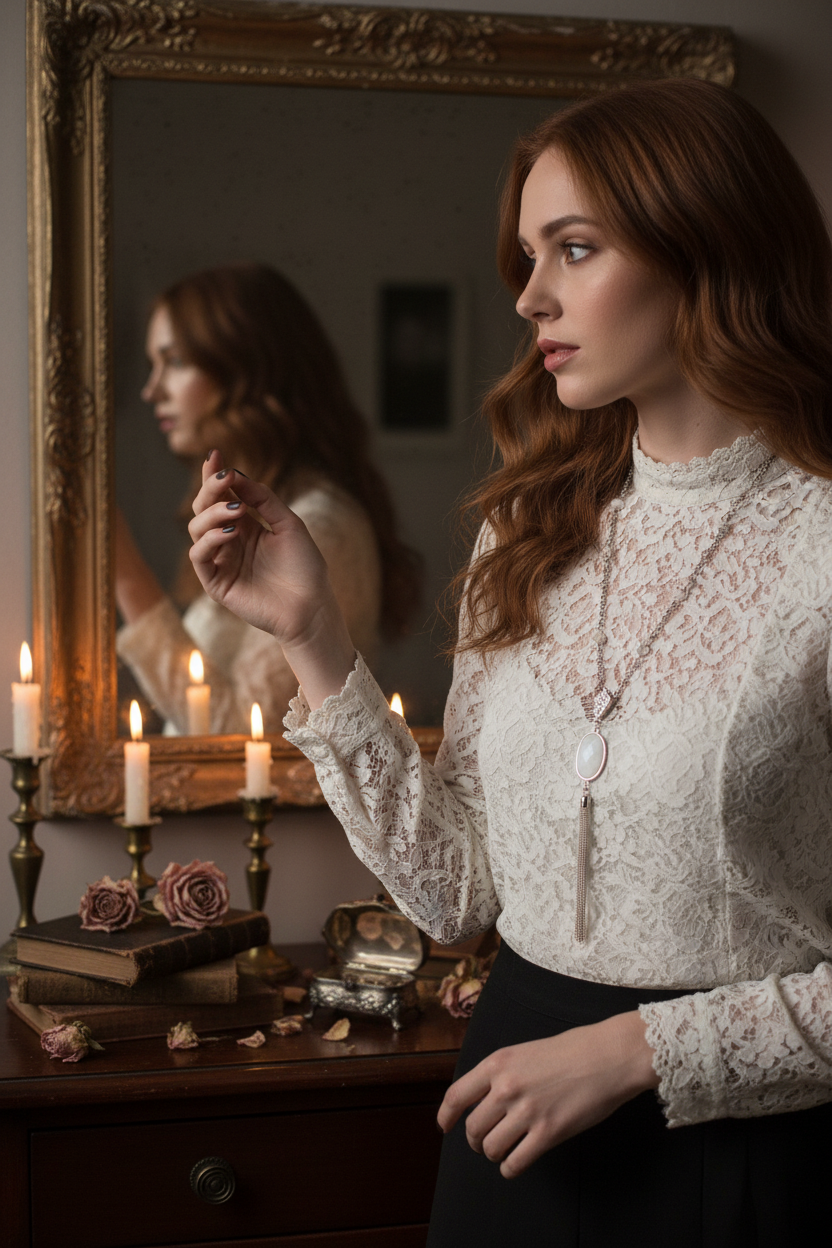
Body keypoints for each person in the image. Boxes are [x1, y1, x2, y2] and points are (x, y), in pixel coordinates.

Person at [185, 80, 832, 1245]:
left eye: (573, 249)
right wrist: (310, 634)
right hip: (514, 1126)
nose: (529, 294)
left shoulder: (820, 543)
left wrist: (637, 1049)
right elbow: (455, 897)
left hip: (749, 1153)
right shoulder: (526, 530)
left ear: (707, 240)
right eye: (527, 256)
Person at [115, 263, 420, 734]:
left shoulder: (319, 527)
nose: (151, 390)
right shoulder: (253, 516)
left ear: (244, 368)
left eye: (174, 362)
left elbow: (245, 738)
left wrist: (125, 573)